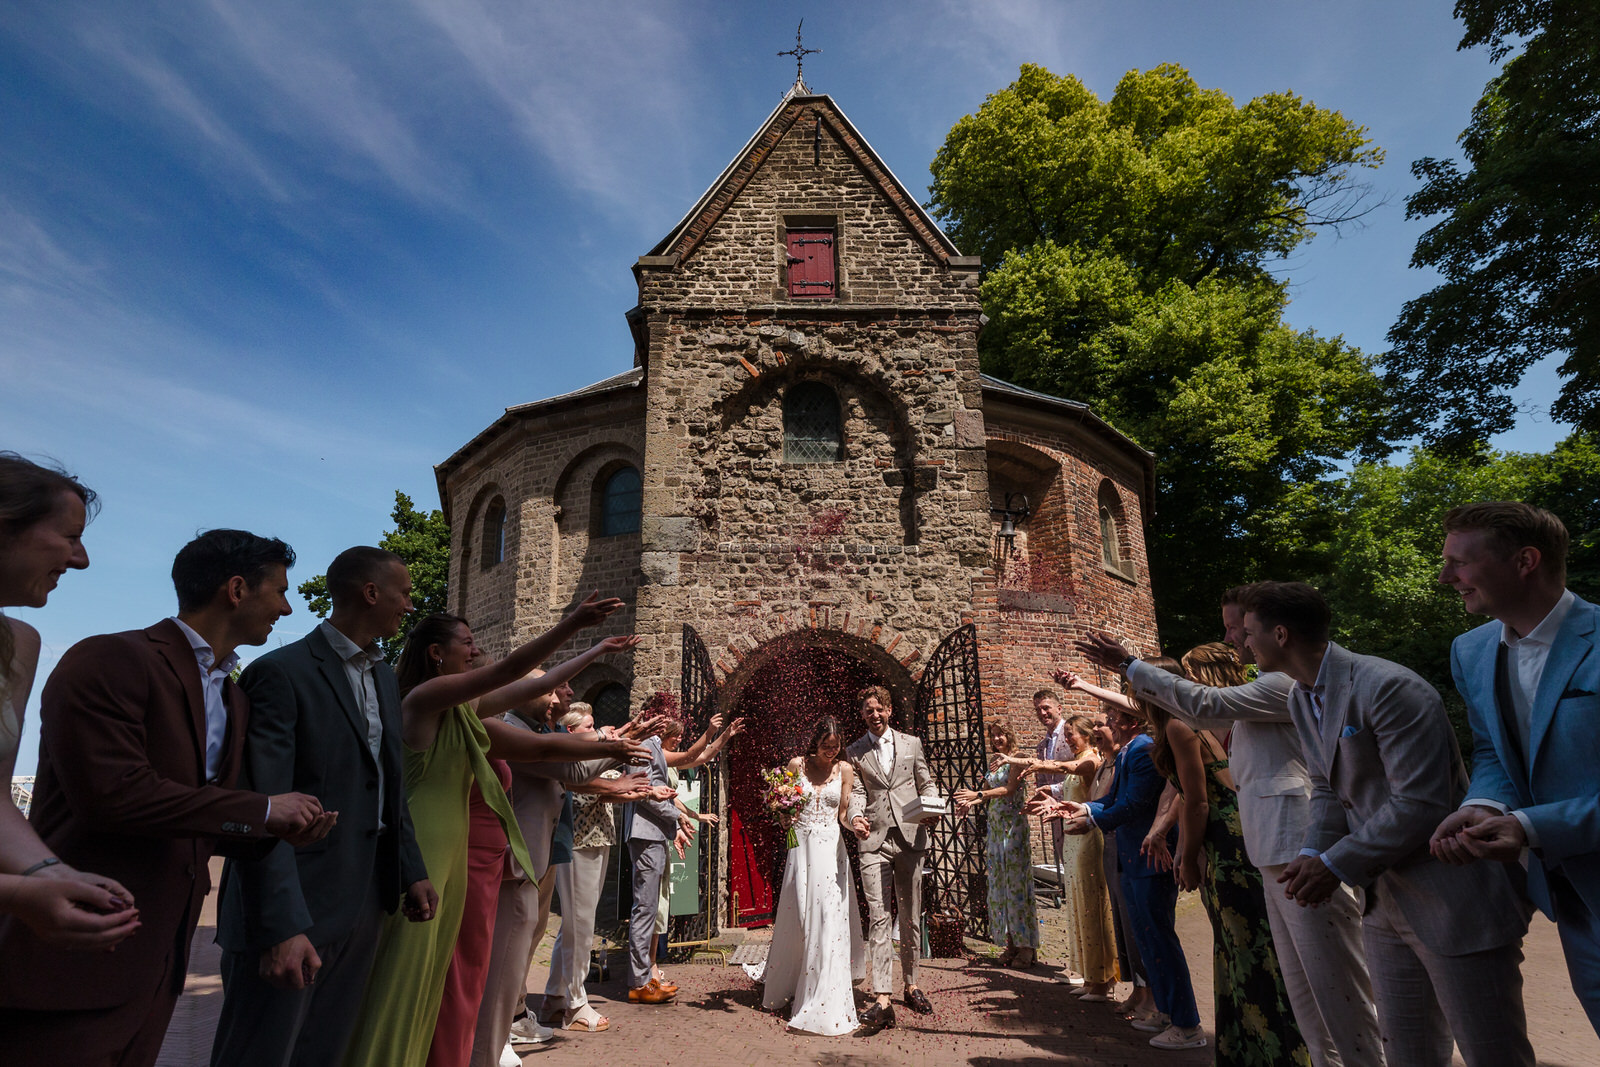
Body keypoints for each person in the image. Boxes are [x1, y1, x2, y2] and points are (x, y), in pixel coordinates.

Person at [0, 529, 333, 1067]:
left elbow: (198, 820)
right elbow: (114, 797)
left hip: (159, 963)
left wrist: (275, 831)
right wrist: (265, 809)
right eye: (280, 590)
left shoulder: (232, 695)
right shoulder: (111, 658)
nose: (287, 606)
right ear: (237, 589)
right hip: (76, 952)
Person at [1074, 589, 1383, 1067]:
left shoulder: (1281, 687)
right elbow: (1197, 717)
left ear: (1277, 632)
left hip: (1300, 847)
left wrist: (1129, 663)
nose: (1231, 638)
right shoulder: (1268, 691)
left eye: (1238, 627)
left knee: (1335, 986)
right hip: (1268, 850)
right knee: (1301, 989)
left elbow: (1196, 706)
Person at [339, 600, 647, 1067]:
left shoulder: (466, 713)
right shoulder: (421, 701)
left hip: (457, 856)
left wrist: (595, 654)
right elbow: (515, 672)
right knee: (406, 975)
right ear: (437, 654)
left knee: (447, 977)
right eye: (467, 643)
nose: (476, 649)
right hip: (423, 848)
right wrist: (574, 625)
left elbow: (539, 702)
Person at [1244, 581, 1534, 1067]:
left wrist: (1334, 865)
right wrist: (1313, 852)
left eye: (1247, 632)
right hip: (1382, 904)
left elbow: (1419, 804)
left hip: (1453, 897)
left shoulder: (1389, 687)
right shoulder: (1301, 696)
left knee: (1493, 1052)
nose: (1239, 642)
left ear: (1279, 634)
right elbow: (1327, 789)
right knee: (1407, 1054)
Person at [211, 546, 438, 1067]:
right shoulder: (279, 673)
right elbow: (265, 806)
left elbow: (387, 784)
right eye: (403, 594)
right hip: (296, 906)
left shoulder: (383, 675)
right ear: (371, 593)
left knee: (325, 1050)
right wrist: (279, 925)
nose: (409, 606)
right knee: (264, 1051)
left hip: (364, 900)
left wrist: (411, 870)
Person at [1430, 502, 1600, 1035]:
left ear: (1526, 560)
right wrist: (1482, 804)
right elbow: (1491, 751)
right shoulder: (1471, 650)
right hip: (1569, 898)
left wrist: (1528, 827)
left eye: (1459, 562)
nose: (1444, 577)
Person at [1105, 649, 1310, 1063]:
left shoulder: (1184, 726)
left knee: (1244, 948)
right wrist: (1168, 833)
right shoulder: (1210, 721)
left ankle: (1267, 1050)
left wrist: (1188, 853)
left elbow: (1198, 802)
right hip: (1238, 835)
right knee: (1253, 947)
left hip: (1227, 847)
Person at [471, 645, 652, 1064]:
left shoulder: (529, 729)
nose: (556, 695)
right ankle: (493, 1044)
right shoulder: (513, 730)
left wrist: (616, 751)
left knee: (517, 954)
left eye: (559, 687)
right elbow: (567, 770)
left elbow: (567, 771)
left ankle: (502, 1034)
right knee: (503, 960)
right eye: (548, 687)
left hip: (530, 858)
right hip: (513, 861)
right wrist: (617, 745)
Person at [0, 453, 138, 949]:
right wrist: (19, 895)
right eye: (71, 536)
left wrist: (53, 873)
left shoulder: (16, 645)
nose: (81, 560)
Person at [1043, 702, 1204, 1051]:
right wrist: (1082, 807)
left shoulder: (1143, 750)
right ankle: (1164, 1009)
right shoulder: (1130, 752)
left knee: (1159, 941)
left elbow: (1133, 805)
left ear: (1129, 723)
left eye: (1111, 719)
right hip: (1132, 858)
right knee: (1145, 941)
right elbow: (1113, 798)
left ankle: (1188, 1024)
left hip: (1149, 858)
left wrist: (1091, 820)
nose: (1106, 724)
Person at [749, 716, 866, 1035]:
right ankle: (792, 980)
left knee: (827, 918)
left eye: (836, 746)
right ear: (815, 742)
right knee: (800, 915)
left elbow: (842, 813)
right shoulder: (796, 764)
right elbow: (781, 803)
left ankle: (821, 994)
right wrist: (781, 814)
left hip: (830, 850)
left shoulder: (845, 769)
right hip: (800, 845)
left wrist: (854, 825)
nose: (832, 751)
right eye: (827, 746)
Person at [846, 684, 942, 1034]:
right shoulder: (854, 751)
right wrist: (856, 816)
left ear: (889, 710)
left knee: (910, 915)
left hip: (911, 837)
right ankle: (883, 995)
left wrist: (932, 806)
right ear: (862, 715)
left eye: (879, 709)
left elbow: (926, 783)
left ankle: (912, 984)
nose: (874, 715)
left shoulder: (911, 744)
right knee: (878, 915)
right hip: (873, 839)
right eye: (867, 711)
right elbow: (856, 792)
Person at [1004, 711, 1115, 995]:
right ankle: (1089, 976)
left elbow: (1072, 769)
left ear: (1087, 735)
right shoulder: (1081, 759)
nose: (1067, 739)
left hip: (1089, 838)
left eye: (1071, 735)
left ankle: (1103, 980)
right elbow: (1073, 795)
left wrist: (1027, 762)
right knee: (1077, 907)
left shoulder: (1091, 759)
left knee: (1092, 907)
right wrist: (1054, 804)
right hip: (1072, 838)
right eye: (1065, 735)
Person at [955, 720, 1038, 969]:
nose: (996, 739)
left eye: (1001, 734)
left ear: (1010, 735)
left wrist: (979, 795)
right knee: (1001, 886)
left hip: (1013, 828)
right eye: (993, 736)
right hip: (995, 829)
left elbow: (1009, 789)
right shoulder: (994, 761)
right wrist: (970, 802)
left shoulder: (1018, 758)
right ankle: (1011, 943)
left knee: (1017, 885)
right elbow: (985, 790)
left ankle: (1027, 947)